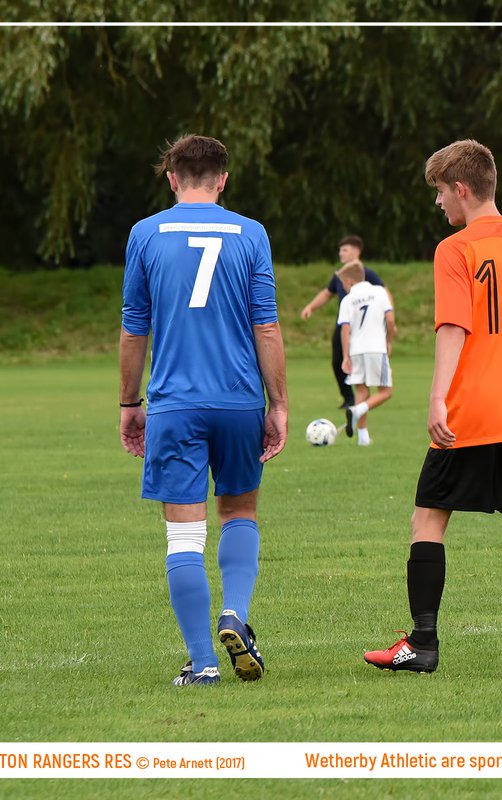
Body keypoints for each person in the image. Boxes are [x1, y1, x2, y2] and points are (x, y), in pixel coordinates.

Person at [363, 139, 502, 673]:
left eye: (439, 191)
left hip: (472, 413)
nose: (438, 203)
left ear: (460, 189)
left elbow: (454, 326)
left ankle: (423, 646)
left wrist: (437, 397)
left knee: (428, 518)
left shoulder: (455, 250)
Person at [119, 134, 288, 686]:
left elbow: (133, 329)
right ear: (223, 179)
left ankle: (204, 663)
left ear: (171, 178)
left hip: (176, 405)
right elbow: (266, 325)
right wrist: (279, 402)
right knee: (240, 513)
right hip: (240, 401)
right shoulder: (251, 234)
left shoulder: (145, 234)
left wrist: (129, 402)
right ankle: (234, 612)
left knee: (183, 538)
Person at [299, 235, 385, 420]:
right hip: (343, 324)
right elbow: (327, 293)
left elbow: (384, 295)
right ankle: (349, 399)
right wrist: (311, 307)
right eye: (340, 250)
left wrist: (386, 317)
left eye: (345, 250)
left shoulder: (366, 274)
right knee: (338, 361)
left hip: (362, 329)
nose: (341, 253)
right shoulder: (339, 276)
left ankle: (360, 400)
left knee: (355, 362)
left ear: (356, 252)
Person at [337, 260, 396, 446]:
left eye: (343, 283)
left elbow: (344, 329)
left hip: (356, 350)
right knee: (386, 392)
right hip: (375, 348)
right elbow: (390, 319)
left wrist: (346, 356)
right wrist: (388, 340)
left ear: (350, 281)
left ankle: (363, 438)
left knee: (362, 390)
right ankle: (357, 410)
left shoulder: (347, 300)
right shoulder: (379, 292)